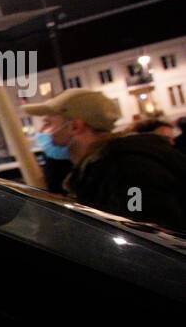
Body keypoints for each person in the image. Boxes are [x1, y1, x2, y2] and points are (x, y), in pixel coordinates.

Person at [22, 88, 186, 231]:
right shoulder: (102, 167)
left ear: (75, 127)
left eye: (48, 123)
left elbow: (147, 235)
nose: (42, 131)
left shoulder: (128, 169)